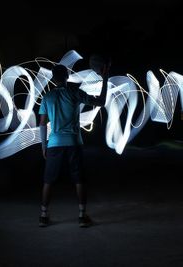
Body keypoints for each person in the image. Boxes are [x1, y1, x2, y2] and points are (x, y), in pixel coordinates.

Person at [38, 58, 110, 227]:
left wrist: (43, 146)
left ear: (53, 79)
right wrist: (105, 79)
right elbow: (100, 102)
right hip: (73, 142)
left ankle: (43, 216)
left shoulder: (47, 97)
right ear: (67, 76)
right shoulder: (75, 92)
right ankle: (81, 216)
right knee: (79, 179)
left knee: (48, 180)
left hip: (54, 144)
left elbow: (42, 123)